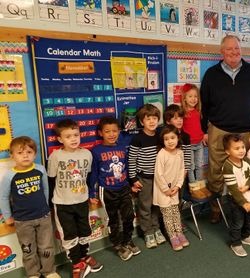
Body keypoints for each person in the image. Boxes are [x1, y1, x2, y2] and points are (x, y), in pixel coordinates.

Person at [200, 34, 250, 223]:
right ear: (222, 52)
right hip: (218, 130)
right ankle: (215, 208)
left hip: (247, 132)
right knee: (216, 171)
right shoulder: (211, 74)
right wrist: (204, 130)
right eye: (229, 49)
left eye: (237, 48)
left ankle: (242, 208)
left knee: (245, 171)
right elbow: (204, 105)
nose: (234, 52)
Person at [47, 119, 103, 278]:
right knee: (69, 234)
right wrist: (49, 203)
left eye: (76, 135)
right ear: (60, 139)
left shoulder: (87, 154)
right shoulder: (55, 156)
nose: (73, 139)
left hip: (81, 201)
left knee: (84, 230)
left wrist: (91, 194)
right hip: (63, 203)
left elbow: (90, 177)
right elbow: (51, 180)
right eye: (68, 136)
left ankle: (84, 256)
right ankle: (76, 262)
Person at [0, 136, 60, 278]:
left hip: (43, 216)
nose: (25, 155)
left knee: (46, 247)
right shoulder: (10, 175)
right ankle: (33, 273)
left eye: (29, 152)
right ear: (12, 155)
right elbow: (3, 197)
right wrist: (8, 217)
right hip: (22, 220)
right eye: (20, 153)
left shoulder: (40, 170)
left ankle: (49, 271)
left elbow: (46, 190)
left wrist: (45, 207)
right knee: (28, 249)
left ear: (35, 154)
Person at [89, 116, 141, 261]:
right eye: (107, 132)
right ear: (101, 133)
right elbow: (93, 173)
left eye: (114, 131)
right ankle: (118, 245)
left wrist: (132, 184)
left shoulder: (122, 147)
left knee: (129, 216)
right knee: (113, 220)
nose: (111, 134)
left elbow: (127, 167)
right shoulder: (96, 151)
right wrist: (91, 192)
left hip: (124, 187)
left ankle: (127, 240)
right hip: (107, 190)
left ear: (119, 131)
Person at [128, 104, 166, 249]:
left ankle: (156, 229)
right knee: (145, 206)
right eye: (148, 118)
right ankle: (147, 232)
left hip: (159, 179)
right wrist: (133, 179)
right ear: (142, 121)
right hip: (144, 179)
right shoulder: (138, 139)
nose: (152, 121)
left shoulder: (160, 136)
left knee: (156, 205)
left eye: (155, 118)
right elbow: (131, 160)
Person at [222, 134, 250, 257]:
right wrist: (243, 203)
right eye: (236, 148)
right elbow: (233, 189)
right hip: (236, 199)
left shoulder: (247, 161)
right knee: (237, 223)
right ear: (227, 151)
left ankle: (246, 236)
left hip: (249, 196)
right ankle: (236, 243)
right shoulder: (227, 167)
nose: (241, 150)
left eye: (243, 147)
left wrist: (247, 186)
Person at [153, 125, 190, 251]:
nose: (170, 141)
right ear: (162, 141)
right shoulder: (161, 154)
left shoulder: (180, 153)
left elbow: (181, 171)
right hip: (163, 191)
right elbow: (159, 174)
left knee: (176, 212)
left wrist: (178, 186)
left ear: (178, 138)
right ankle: (173, 236)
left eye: (173, 138)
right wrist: (165, 189)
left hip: (175, 189)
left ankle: (179, 233)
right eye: (166, 139)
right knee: (167, 215)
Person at [181, 83, 211, 198]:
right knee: (191, 166)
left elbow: (200, 126)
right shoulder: (183, 113)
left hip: (199, 144)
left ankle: (201, 186)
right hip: (188, 145)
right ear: (184, 98)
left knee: (199, 165)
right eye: (190, 96)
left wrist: (203, 134)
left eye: (195, 96)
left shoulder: (198, 112)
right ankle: (193, 188)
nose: (193, 99)